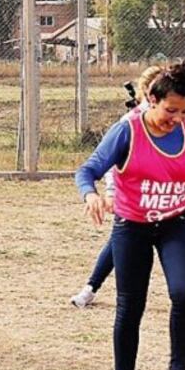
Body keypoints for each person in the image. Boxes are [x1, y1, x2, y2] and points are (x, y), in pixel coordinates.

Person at [76, 62, 185, 370]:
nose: (177, 119)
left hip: (175, 222)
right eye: (171, 110)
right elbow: (87, 170)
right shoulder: (128, 130)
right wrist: (90, 194)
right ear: (151, 99)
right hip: (132, 225)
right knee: (130, 307)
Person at [71, 65, 162, 308]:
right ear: (147, 92)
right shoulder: (129, 123)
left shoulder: (174, 120)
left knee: (178, 232)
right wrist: (110, 192)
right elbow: (109, 164)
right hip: (134, 196)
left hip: (161, 195)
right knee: (119, 240)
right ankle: (90, 287)